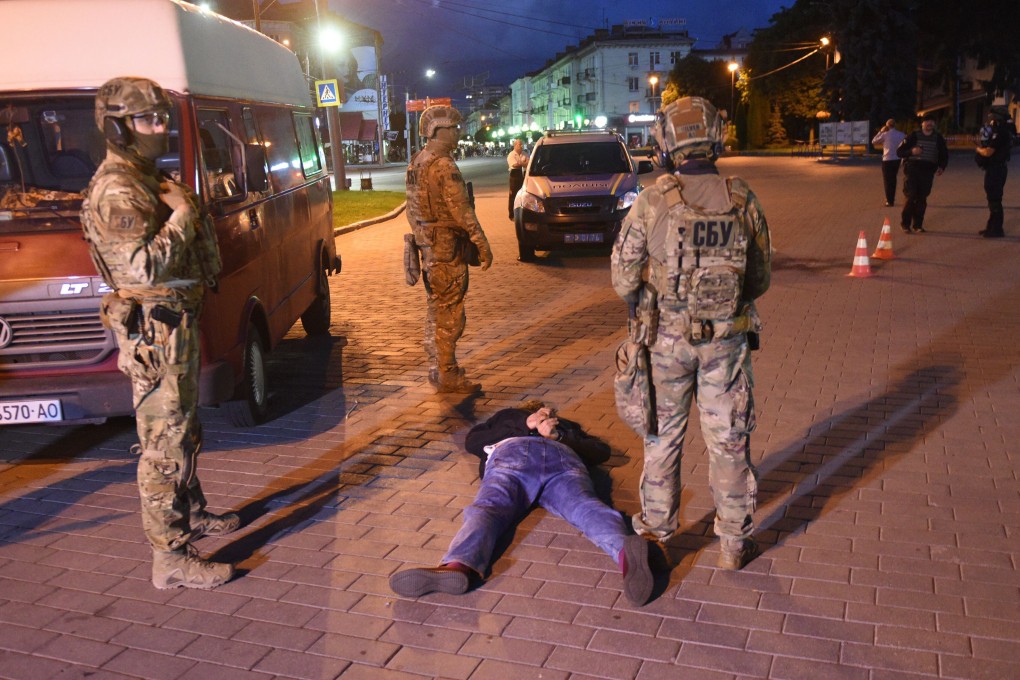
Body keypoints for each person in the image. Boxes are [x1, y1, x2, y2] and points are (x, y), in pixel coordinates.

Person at [80, 77, 238, 589]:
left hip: (174, 324)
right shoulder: (119, 187)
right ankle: (170, 559)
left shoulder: (147, 178)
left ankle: (191, 517)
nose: (161, 128)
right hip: (155, 332)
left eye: (163, 118)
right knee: (164, 444)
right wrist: (185, 216)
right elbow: (143, 269)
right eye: (149, 119)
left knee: (183, 431)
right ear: (118, 126)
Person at [611, 96, 771, 570]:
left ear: (667, 143)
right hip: (725, 343)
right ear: (715, 137)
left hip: (665, 343)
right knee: (729, 440)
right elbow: (760, 277)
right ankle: (734, 545)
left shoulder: (652, 200)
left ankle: (658, 535)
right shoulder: (742, 197)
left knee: (662, 438)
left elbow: (622, 278)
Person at [389, 401, 655, 606]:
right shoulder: (508, 417)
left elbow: (601, 452)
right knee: (585, 507)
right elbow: (473, 440)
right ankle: (624, 553)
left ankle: (459, 564)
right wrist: (525, 423)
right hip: (540, 457)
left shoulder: (562, 424)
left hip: (532, 458)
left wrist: (558, 435)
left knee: (489, 509)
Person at [406, 105, 493, 393]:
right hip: (446, 248)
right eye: (454, 128)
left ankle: (437, 366)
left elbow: (411, 208)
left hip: (429, 247)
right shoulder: (443, 164)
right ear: (438, 131)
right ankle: (448, 373)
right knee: (451, 312)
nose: (458, 133)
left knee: (435, 308)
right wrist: (481, 242)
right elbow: (462, 210)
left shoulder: (418, 161)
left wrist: (422, 236)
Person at [896, 114, 948, 234]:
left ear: (934, 124)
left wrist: (941, 167)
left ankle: (918, 225)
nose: (929, 123)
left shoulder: (938, 138)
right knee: (910, 196)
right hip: (912, 169)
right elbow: (899, 152)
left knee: (922, 198)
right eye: (926, 121)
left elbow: (944, 155)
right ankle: (905, 224)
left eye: (931, 121)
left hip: (928, 171)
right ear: (922, 123)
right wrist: (911, 151)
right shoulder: (914, 136)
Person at [975, 106, 1012, 239]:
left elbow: (989, 151)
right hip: (994, 168)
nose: (990, 120)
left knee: (995, 199)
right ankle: (991, 227)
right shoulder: (998, 131)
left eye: (992, 118)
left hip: (997, 169)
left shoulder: (1000, 133)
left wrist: (979, 150)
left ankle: (996, 229)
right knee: (992, 199)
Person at [872, 118, 906, 207]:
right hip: (897, 159)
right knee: (893, 179)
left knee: (887, 180)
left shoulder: (885, 134)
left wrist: (880, 131)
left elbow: (874, 141)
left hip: (887, 159)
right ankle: (892, 197)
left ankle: (889, 200)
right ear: (895, 125)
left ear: (887, 125)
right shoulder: (901, 134)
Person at [507, 138, 528, 220]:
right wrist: (523, 163)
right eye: (520, 144)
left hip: (524, 176)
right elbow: (514, 165)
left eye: (522, 144)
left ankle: (523, 213)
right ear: (515, 145)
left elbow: (529, 162)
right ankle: (511, 214)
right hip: (515, 177)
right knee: (513, 196)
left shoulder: (524, 154)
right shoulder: (511, 155)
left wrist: (521, 163)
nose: (522, 146)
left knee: (524, 195)